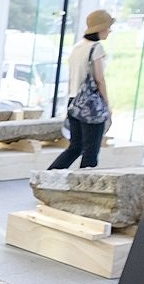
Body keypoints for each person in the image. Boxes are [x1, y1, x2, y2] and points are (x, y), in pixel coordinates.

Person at [48, 9, 115, 170]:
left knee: (75, 147)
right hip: (90, 105)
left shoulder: (77, 47)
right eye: (108, 27)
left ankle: (46, 177)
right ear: (101, 28)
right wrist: (107, 104)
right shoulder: (96, 48)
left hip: (74, 101)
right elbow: (99, 79)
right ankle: (85, 188)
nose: (110, 31)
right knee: (91, 153)